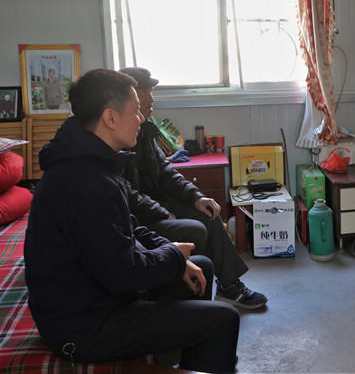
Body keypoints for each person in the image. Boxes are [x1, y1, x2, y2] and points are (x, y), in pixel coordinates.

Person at [24, 68, 239, 372]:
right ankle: (197, 345)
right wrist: (172, 257)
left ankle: (186, 356)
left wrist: (172, 252)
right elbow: (122, 272)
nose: (141, 119)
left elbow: (130, 225)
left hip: (102, 297)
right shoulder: (83, 183)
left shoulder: (96, 164)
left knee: (199, 267)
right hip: (85, 325)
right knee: (224, 320)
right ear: (110, 118)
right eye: (135, 110)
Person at [119, 67, 268, 310]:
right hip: (139, 217)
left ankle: (229, 284)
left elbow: (165, 172)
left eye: (151, 91)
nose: (151, 99)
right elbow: (126, 194)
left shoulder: (146, 129)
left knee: (209, 212)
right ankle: (193, 291)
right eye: (145, 93)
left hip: (156, 207)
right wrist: (160, 211)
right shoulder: (120, 137)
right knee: (196, 228)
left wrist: (197, 197)